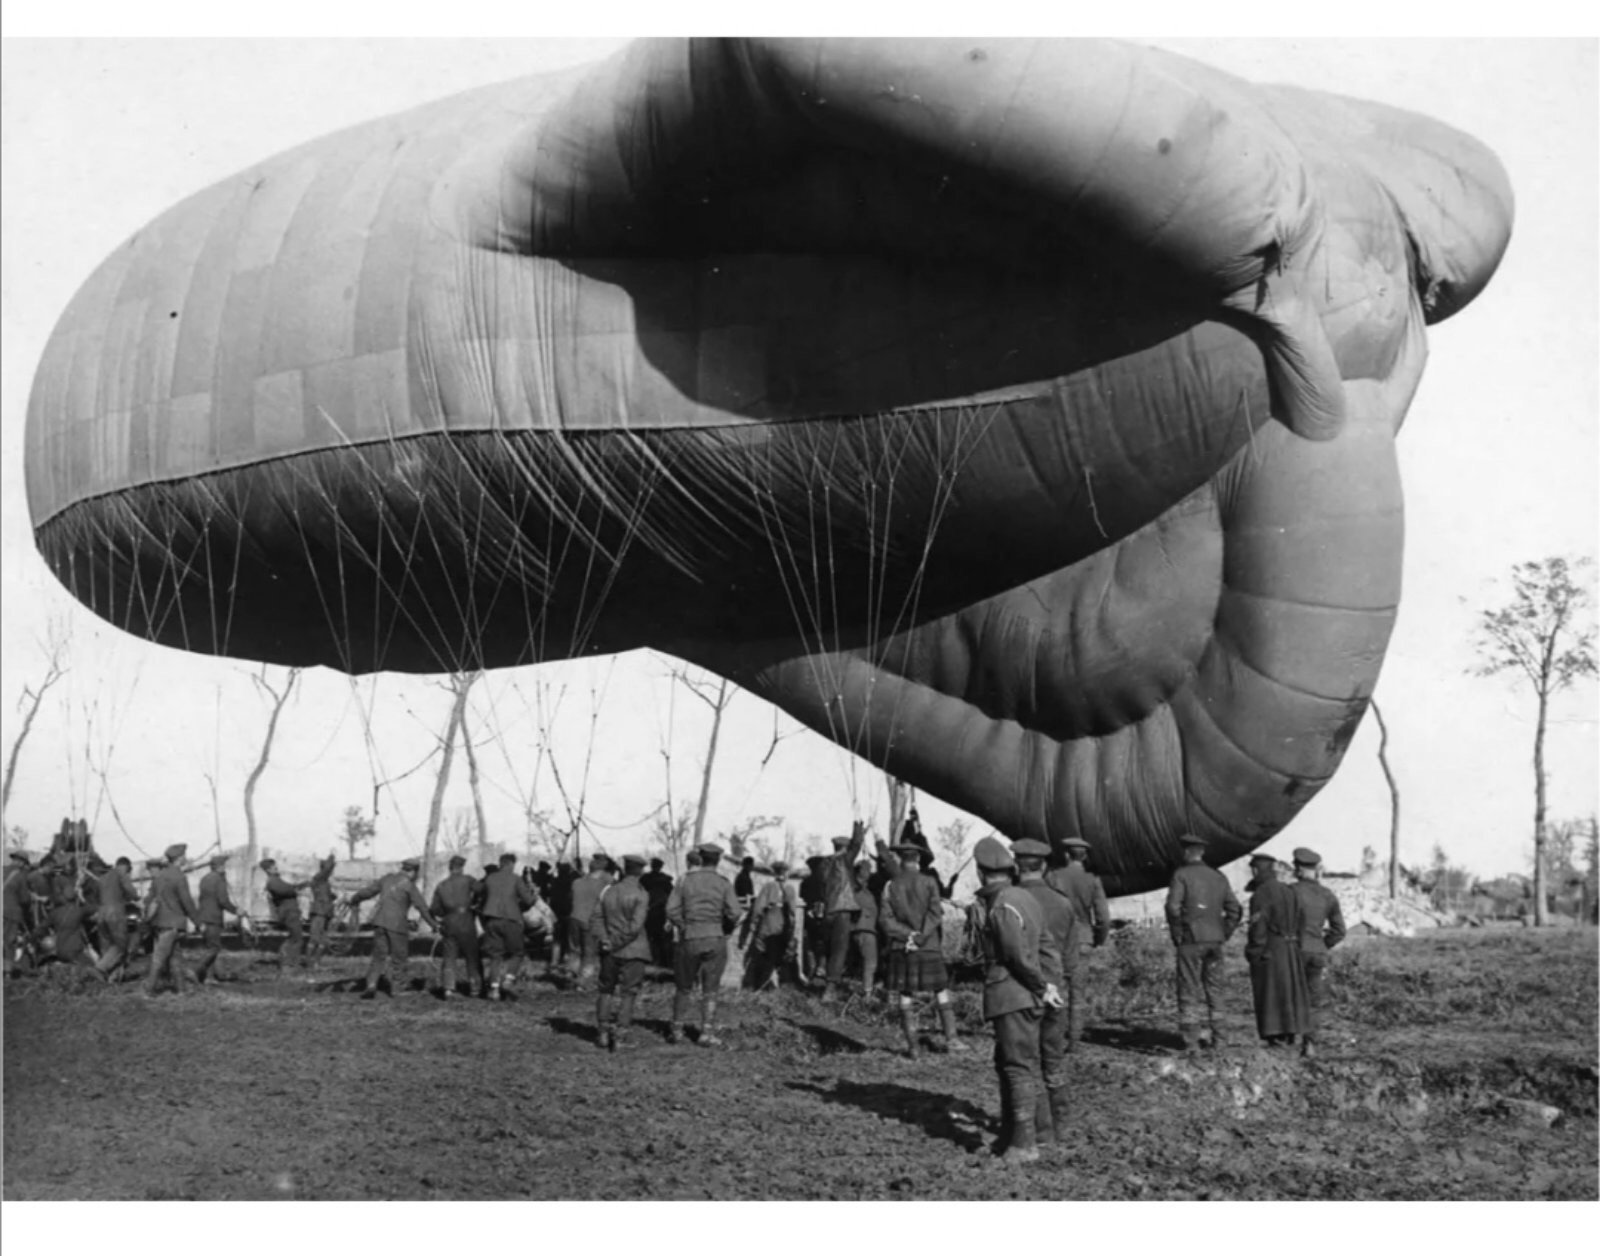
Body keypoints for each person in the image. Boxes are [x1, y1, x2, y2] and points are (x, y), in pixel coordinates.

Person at [972, 836, 1062, 1164]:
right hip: (1029, 995)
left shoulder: (1002, 906)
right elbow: (1047, 947)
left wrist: (1040, 986)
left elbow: (1017, 957)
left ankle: (1024, 1145)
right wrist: (1050, 986)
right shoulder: (1024, 898)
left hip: (1013, 995)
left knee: (1016, 1066)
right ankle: (1036, 1133)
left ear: (982, 874)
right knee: (1021, 1063)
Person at [1014, 838, 1078, 1145]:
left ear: (1017, 866)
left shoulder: (1007, 900)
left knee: (1025, 1061)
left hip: (1019, 993)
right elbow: (1070, 955)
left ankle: (1039, 1130)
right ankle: (1062, 1126)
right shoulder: (1062, 902)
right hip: (1055, 990)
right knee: (1053, 1058)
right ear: (1044, 867)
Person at [881, 839, 966, 1055]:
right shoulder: (930, 882)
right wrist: (920, 936)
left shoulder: (890, 886)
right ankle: (952, 1040)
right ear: (918, 859)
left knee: (905, 993)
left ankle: (913, 1047)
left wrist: (907, 935)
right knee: (940, 990)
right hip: (928, 946)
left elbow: (886, 920)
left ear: (900, 860)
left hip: (902, 948)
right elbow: (936, 914)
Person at [1164, 834, 1243, 1052]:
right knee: (1215, 990)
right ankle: (1220, 1041)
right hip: (1215, 941)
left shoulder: (1181, 875)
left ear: (1186, 852)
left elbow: (1172, 907)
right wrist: (1223, 932)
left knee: (1189, 988)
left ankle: (1191, 1043)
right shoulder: (1218, 877)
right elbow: (1235, 910)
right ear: (1202, 852)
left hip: (1191, 940)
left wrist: (1177, 932)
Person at [665, 842, 742, 1045]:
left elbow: (671, 910)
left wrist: (683, 926)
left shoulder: (684, 881)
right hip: (715, 938)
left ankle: (677, 1030)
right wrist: (725, 928)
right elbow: (735, 913)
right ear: (718, 860)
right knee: (711, 989)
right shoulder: (724, 883)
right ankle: (706, 1033)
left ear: (700, 857)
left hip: (689, 938)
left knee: (683, 987)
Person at [1045, 835, 1110, 1050]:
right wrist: (1097, 938)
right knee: (1078, 992)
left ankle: (1056, 1038)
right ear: (1085, 856)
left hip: (1057, 940)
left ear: (1065, 855)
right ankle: (1074, 1040)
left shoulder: (1053, 876)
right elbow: (1103, 916)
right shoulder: (1093, 880)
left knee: (1058, 989)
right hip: (1083, 940)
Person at [1245, 853, 1312, 1048]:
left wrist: (1254, 951)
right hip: (1291, 948)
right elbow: (1303, 921)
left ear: (1257, 870)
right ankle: (1291, 1033)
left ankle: (1275, 1035)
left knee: (1271, 993)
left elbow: (1258, 927)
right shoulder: (1290, 891)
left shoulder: (1261, 894)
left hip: (1271, 949)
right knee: (1290, 992)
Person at [348, 857, 438, 999]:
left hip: (379, 923)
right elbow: (422, 907)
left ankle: (371, 985)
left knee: (378, 956)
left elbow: (368, 891)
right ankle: (398, 988)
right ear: (414, 871)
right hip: (397, 926)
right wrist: (434, 925)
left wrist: (354, 899)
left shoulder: (387, 879)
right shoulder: (409, 885)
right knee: (399, 956)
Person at [1290, 847, 1346, 1059]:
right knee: (1314, 999)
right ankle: (1310, 1043)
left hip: (1295, 952)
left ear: (1299, 869)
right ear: (1316, 869)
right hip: (1317, 953)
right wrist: (1323, 945)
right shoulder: (1328, 895)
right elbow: (1339, 931)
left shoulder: (1291, 892)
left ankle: (1287, 1040)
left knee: (1292, 996)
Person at [592, 853, 652, 1050]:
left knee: (605, 989)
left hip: (609, 951)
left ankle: (602, 1033)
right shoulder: (641, 894)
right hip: (633, 951)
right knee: (628, 993)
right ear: (641, 872)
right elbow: (635, 927)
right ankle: (621, 1036)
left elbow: (597, 918)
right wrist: (616, 942)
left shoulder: (608, 891)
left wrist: (605, 941)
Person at [817, 823, 866, 1003]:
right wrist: (858, 826)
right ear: (845, 848)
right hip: (842, 910)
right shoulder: (844, 860)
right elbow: (857, 843)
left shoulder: (824, 863)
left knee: (829, 946)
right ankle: (830, 990)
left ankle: (821, 970)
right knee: (840, 950)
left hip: (828, 910)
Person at [479, 853, 538, 1001]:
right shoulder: (516, 879)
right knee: (517, 953)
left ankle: (494, 990)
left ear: (500, 864)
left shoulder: (490, 878)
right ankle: (509, 979)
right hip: (511, 920)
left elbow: (482, 898)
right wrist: (535, 894)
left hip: (491, 920)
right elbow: (529, 901)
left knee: (495, 956)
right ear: (511, 864)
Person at [144, 844, 201, 996]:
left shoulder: (159, 877)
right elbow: (187, 902)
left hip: (161, 923)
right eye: (184, 856)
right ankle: (149, 991)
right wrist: (198, 922)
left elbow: (150, 899)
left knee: (175, 958)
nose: (186, 859)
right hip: (174, 924)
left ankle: (181, 990)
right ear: (179, 858)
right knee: (159, 958)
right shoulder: (179, 877)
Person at [430, 854, 484, 998]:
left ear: (450, 868)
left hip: (449, 922)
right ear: (462, 867)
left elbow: (435, 908)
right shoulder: (468, 880)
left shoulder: (441, 885)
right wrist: (476, 904)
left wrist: (446, 915)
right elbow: (483, 890)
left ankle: (448, 988)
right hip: (466, 922)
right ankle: (475, 987)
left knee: (449, 956)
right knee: (472, 956)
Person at [195, 854, 247, 984]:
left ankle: (209, 977)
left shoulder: (205, 878)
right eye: (224, 866)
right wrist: (236, 910)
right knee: (214, 948)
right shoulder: (219, 880)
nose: (225, 869)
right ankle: (196, 970)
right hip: (213, 918)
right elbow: (223, 901)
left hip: (203, 916)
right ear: (220, 867)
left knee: (210, 946)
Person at [744, 860, 794, 989]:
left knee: (763, 953)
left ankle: (761, 984)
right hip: (782, 923)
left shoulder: (768, 886)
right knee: (780, 953)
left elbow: (758, 907)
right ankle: (778, 984)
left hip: (769, 921)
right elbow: (792, 912)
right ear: (786, 873)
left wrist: (753, 923)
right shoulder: (790, 888)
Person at [568, 853, 612, 990]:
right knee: (589, 954)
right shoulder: (605, 884)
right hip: (590, 921)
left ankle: (571, 974)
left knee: (574, 950)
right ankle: (582, 983)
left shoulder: (577, 882)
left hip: (574, 919)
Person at [91, 855, 139, 982]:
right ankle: (100, 969)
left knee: (106, 946)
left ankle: (107, 978)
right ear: (126, 866)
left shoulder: (103, 877)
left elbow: (96, 896)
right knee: (120, 945)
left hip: (101, 913)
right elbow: (131, 891)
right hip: (115, 913)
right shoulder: (121, 873)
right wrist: (136, 897)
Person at [259, 858, 310, 968]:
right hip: (288, 912)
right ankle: (286, 962)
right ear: (268, 870)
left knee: (296, 937)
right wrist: (301, 886)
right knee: (296, 937)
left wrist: (303, 885)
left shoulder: (276, 880)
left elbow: (289, 888)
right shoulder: (273, 882)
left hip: (290, 912)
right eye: (273, 867)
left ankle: (291, 963)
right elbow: (287, 890)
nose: (276, 868)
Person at [849, 859, 880, 999]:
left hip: (864, 928)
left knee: (866, 962)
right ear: (859, 871)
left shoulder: (866, 889)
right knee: (870, 961)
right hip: (864, 929)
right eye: (866, 869)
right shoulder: (856, 889)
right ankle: (867, 994)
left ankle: (864, 989)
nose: (869, 872)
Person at [305, 855, 339, 968]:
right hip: (319, 912)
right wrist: (332, 856)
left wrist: (334, 896)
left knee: (323, 940)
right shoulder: (318, 879)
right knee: (315, 938)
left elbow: (325, 896)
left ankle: (316, 963)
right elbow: (327, 869)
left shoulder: (324, 882)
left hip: (326, 913)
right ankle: (309, 963)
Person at [640, 857, 675, 967]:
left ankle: (652, 960)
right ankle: (666, 962)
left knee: (651, 938)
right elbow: (672, 896)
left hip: (649, 912)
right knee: (665, 939)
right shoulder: (666, 881)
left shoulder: (645, 880)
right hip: (663, 913)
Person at [5, 851, 33, 979]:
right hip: (11, 912)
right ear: (22, 862)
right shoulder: (20, 876)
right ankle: (7, 972)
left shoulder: (2, 870)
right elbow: (24, 899)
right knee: (9, 941)